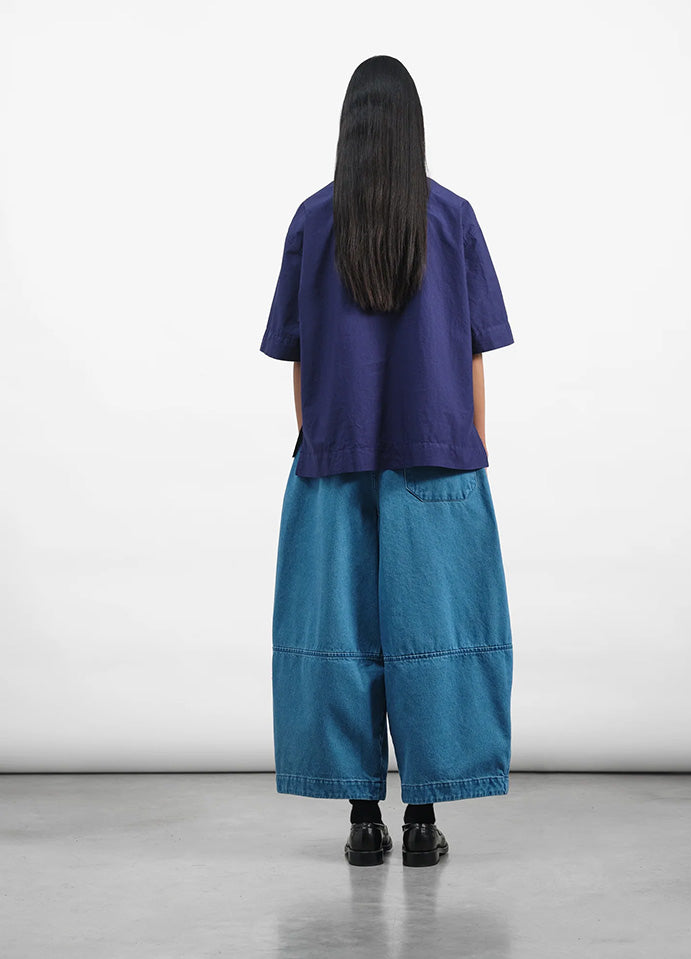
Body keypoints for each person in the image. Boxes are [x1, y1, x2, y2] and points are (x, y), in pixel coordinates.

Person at [260, 55, 514, 868]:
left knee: (340, 640)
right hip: (438, 455)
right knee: (435, 637)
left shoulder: (313, 218)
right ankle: (422, 820)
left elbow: (297, 355)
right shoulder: (452, 215)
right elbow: (473, 351)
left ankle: (362, 819)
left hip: (333, 458)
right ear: (412, 129)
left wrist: (317, 440)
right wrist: (470, 446)